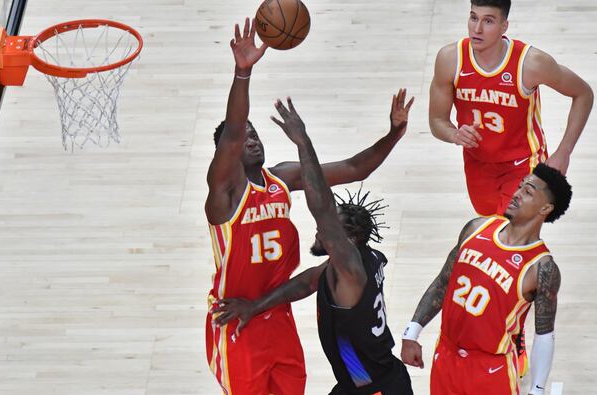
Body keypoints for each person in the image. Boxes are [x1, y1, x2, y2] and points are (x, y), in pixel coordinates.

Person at [206, 17, 414, 395]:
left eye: (255, 134)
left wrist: (393, 135)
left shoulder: (282, 178)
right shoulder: (223, 196)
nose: (250, 139)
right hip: (237, 315)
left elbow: (354, 168)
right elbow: (233, 130)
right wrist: (242, 72)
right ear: (225, 156)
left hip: (276, 313)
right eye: (242, 138)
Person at [428, 0, 592, 373]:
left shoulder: (529, 63)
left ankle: (513, 346)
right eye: (473, 17)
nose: (477, 28)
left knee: (508, 258)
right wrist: (453, 134)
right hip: (479, 168)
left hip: (525, 169)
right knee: (493, 254)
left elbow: (583, 93)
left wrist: (564, 153)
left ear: (504, 25)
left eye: (488, 21)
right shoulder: (449, 58)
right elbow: (436, 119)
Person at [400, 163, 572, 395]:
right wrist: (412, 332)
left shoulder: (541, 268)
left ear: (545, 208)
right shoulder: (476, 228)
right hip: (446, 356)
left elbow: (544, 333)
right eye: (520, 186)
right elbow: (443, 282)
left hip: (492, 370)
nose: (517, 193)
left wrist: (537, 389)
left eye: (528, 192)